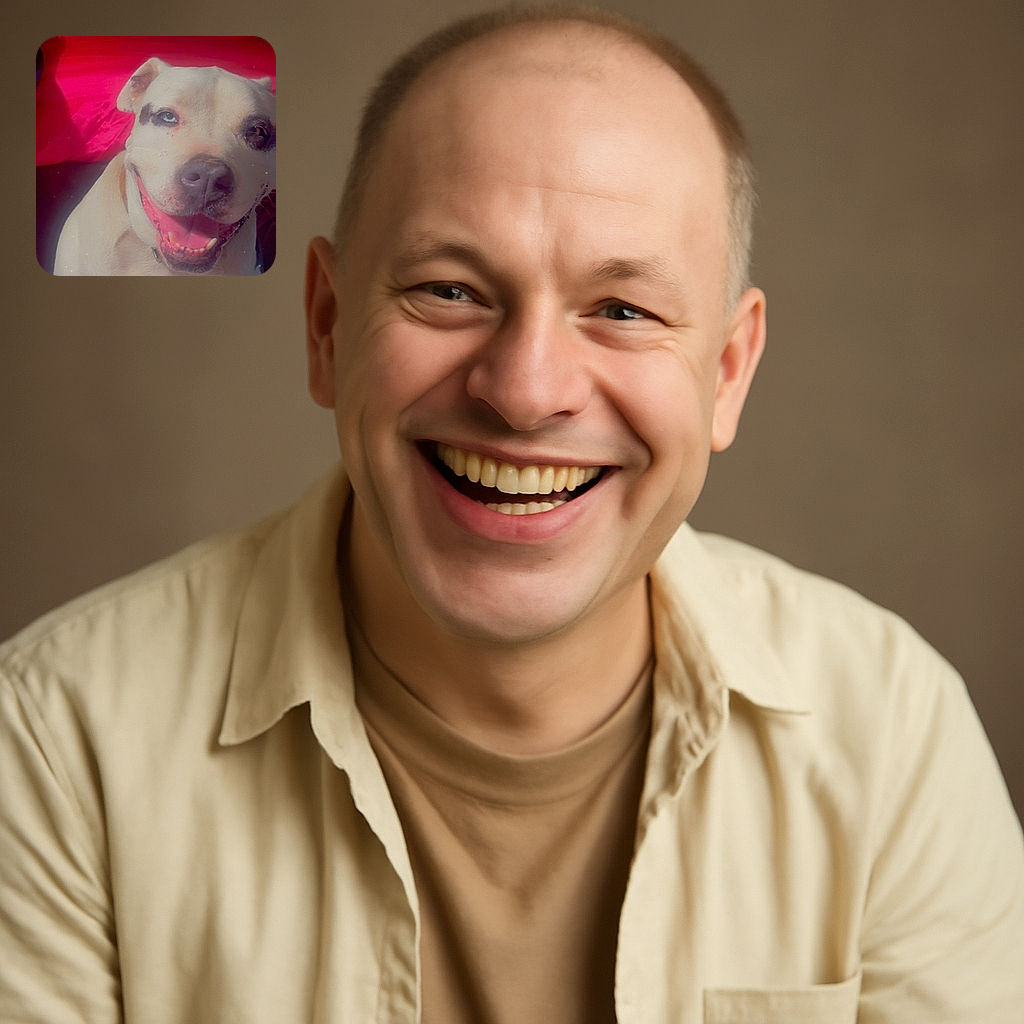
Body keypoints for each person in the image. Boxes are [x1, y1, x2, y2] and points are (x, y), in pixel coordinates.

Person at [2, 5, 1022, 1022]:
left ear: (725, 373)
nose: (527, 392)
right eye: (450, 290)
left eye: (621, 310)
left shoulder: (891, 734)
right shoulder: (57, 744)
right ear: (328, 326)